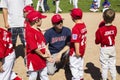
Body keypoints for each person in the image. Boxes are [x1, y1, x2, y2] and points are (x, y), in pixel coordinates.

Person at [25, 11, 53, 80]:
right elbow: (34, 47)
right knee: (33, 77)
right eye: (41, 19)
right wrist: (43, 55)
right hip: (34, 59)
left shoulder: (38, 30)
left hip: (41, 59)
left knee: (44, 75)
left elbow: (43, 45)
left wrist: (47, 55)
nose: (42, 20)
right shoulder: (30, 33)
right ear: (37, 20)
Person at [95, 9, 117, 80]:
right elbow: (114, 35)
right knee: (112, 65)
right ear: (113, 18)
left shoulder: (100, 30)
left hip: (104, 49)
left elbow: (97, 41)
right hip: (112, 48)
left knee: (104, 66)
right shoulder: (114, 28)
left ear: (103, 17)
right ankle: (114, 78)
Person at [69, 8, 87, 80]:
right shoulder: (83, 25)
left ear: (73, 17)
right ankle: (80, 77)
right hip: (82, 49)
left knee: (74, 66)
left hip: (76, 51)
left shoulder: (75, 28)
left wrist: (76, 51)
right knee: (80, 65)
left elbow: (76, 41)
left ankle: (76, 78)